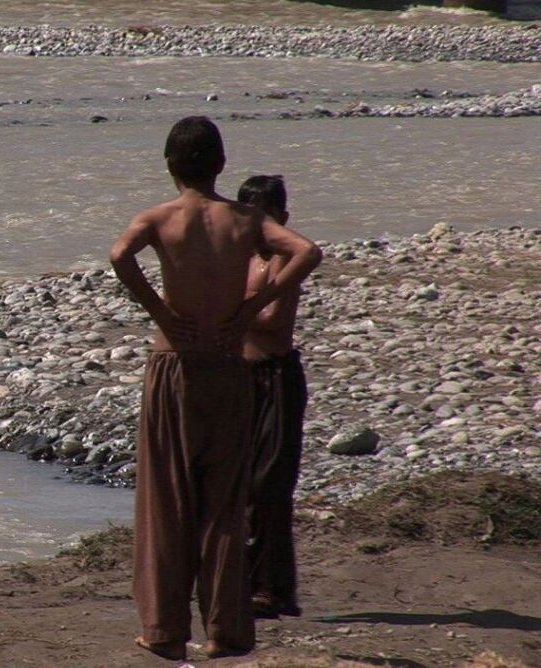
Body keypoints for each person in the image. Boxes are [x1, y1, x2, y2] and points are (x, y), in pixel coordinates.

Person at [108, 117, 321, 660]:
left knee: (166, 498)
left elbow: (118, 256)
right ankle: (226, 630)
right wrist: (249, 307)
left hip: (174, 364)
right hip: (227, 364)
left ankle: (163, 630)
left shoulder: (160, 217)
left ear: (170, 166)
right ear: (221, 165)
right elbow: (307, 251)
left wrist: (158, 309)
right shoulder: (245, 220)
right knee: (224, 502)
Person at [238, 175, 308, 619]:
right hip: (236, 377)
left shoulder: (286, 259)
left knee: (270, 484)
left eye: (266, 217)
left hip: (275, 376)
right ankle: (245, 582)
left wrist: (220, 309)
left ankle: (275, 589)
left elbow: (271, 319)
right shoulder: (238, 258)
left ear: (282, 218)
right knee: (239, 484)